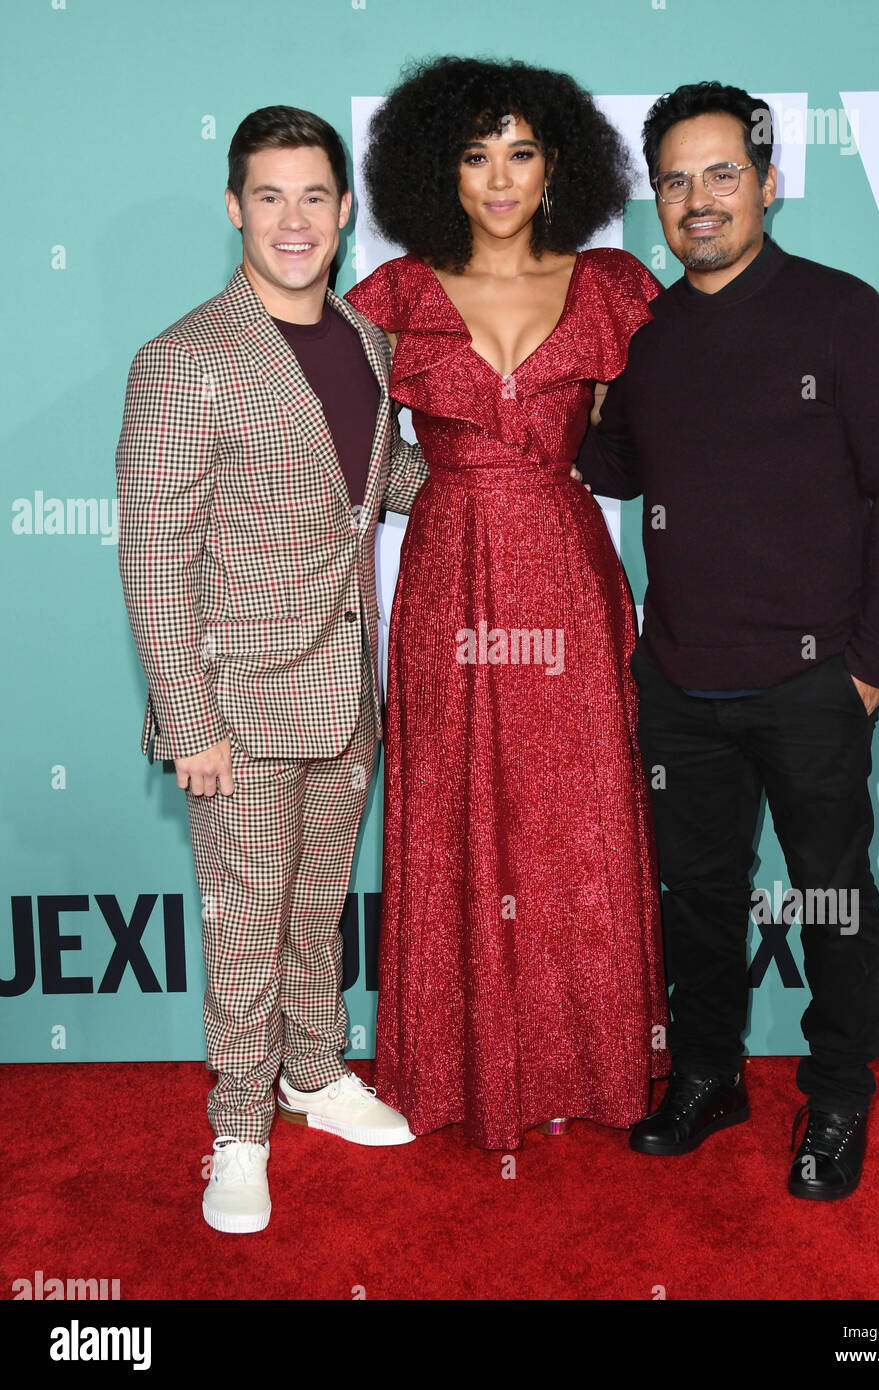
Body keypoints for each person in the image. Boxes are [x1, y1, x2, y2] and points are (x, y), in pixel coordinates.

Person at [577, 81, 879, 1200]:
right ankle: (707, 1074)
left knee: (831, 896)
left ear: (769, 183)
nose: (698, 200)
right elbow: (618, 470)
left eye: (722, 174)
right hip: (681, 677)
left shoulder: (844, 314)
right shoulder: (645, 333)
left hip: (813, 682)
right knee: (695, 896)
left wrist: (871, 668)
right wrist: (570, 378)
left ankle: (836, 1098)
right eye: (676, 181)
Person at [346, 57, 669, 1151]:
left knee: (577, 816)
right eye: (476, 153)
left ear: (558, 165)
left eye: (521, 152)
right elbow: (333, 458)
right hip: (447, 580)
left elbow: (676, 438)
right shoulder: (392, 299)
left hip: (569, 580)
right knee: (455, 813)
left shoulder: (618, 286)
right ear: (439, 168)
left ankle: (596, 1055)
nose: (499, 177)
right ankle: (457, 1069)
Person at [116, 106, 429, 1233]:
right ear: (234, 207)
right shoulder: (184, 358)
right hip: (236, 703)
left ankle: (312, 1070)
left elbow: (383, 484)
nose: (293, 220)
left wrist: (499, 470)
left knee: (313, 905)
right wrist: (188, 719)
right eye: (268, 196)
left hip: (347, 688)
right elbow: (155, 554)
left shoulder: (368, 341)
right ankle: (239, 1127)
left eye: (314, 198)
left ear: (347, 214)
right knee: (246, 921)